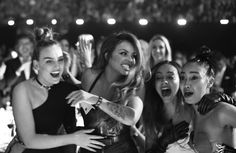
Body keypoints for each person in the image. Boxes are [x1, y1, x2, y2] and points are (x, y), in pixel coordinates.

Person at [11, 27, 104, 153]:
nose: (57, 66)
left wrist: (87, 63)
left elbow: (96, 104)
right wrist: (73, 138)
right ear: (36, 65)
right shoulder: (22, 90)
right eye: (49, 61)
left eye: (60, 60)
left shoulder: (68, 89)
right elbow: (29, 140)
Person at [66, 31, 144, 153]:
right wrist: (66, 73)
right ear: (107, 55)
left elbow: (131, 117)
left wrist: (95, 99)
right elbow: (80, 90)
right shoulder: (90, 76)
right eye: (124, 53)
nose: (130, 60)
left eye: (134, 56)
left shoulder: (135, 85)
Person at [180, 50, 236, 153]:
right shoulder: (189, 116)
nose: (186, 84)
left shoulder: (221, 110)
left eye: (194, 77)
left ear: (210, 82)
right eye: (182, 77)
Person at [143, 61, 194, 153]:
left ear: (181, 80)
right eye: (158, 78)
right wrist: (162, 144)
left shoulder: (195, 109)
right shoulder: (151, 115)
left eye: (170, 77)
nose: (164, 81)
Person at [3, 32, 37, 100]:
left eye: (27, 43)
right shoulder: (10, 63)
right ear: (17, 47)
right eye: (21, 43)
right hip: (18, 101)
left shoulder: (37, 61)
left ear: (32, 46)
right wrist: (20, 69)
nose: (24, 46)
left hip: (36, 99)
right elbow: (8, 83)